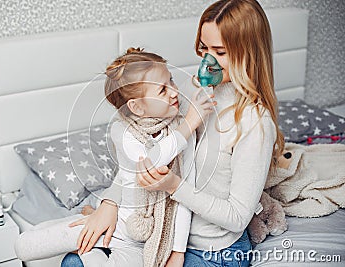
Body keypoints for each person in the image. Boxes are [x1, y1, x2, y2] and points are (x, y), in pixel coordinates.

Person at [68, 0, 285, 266]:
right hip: (159, 234)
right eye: (204, 47)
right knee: (75, 262)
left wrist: (173, 186)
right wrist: (109, 203)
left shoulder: (255, 123)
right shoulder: (187, 90)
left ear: (248, 53)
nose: (207, 60)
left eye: (220, 51)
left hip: (213, 251)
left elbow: (237, 216)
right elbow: (142, 151)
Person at [15, 48, 215, 267]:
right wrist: (189, 124)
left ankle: (86, 250)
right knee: (25, 247)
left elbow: (183, 196)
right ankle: (81, 228)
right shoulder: (123, 131)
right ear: (137, 107)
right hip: (118, 221)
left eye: (172, 81)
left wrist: (178, 251)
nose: (175, 92)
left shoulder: (180, 132)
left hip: (140, 241)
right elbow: (150, 163)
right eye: (162, 90)